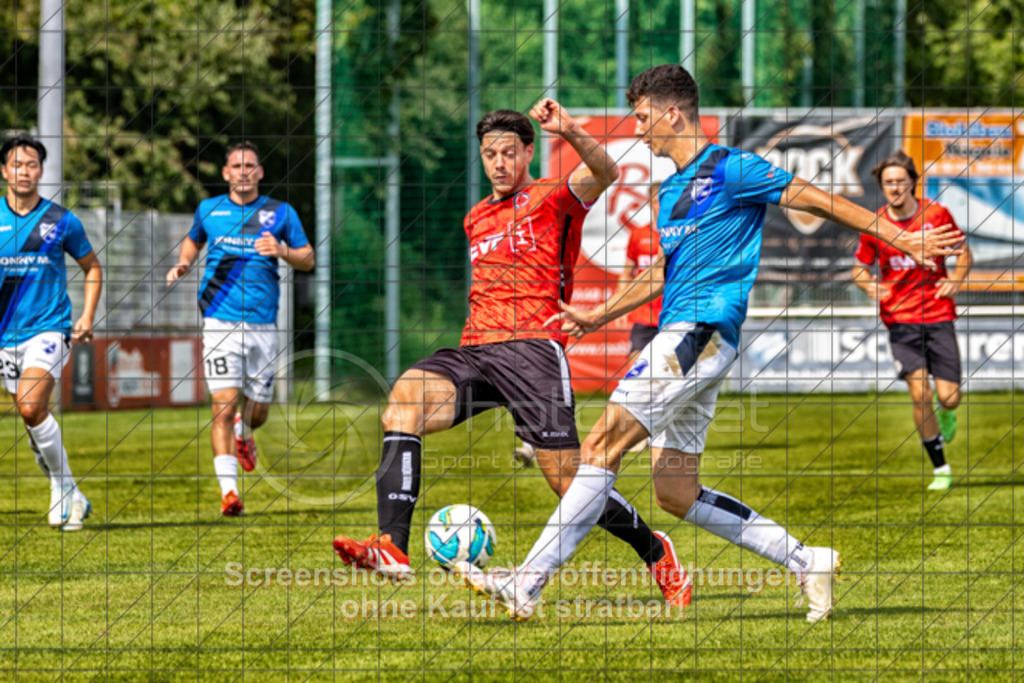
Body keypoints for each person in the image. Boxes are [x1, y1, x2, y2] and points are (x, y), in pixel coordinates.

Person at [456, 64, 963, 623]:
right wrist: (598, 315)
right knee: (674, 490)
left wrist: (897, 235)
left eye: (645, 118)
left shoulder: (730, 168)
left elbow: (815, 199)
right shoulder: (671, 188)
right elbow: (664, 275)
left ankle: (525, 584)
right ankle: (804, 559)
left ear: (673, 113)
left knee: (600, 446)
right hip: (693, 337)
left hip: (699, 333)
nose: (641, 130)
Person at [332, 100, 693, 608]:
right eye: (489, 154)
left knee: (569, 481)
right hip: (475, 350)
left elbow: (606, 172)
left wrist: (566, 129)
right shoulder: (475, 217)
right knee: (402, 403)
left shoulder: (552, 197)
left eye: (508, 152)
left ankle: (655, 549)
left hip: (533, 353)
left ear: (528, 153)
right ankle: (393, 546)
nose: (498, 163)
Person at [166, 142, 314, 516]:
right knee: (222, 406)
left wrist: (282, 251)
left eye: (250, 165)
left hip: (263, 326)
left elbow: (308, 259)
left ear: (260, 172)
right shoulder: (209, 210)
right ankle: (229, 494)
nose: (244, 171)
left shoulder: (281, 213)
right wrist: (184, 263)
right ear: (226, 173)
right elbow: (193, 239)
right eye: (237, 165)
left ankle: (245, 433)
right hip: (218, 322)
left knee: (258, 413)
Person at [0, 134, 102, 531]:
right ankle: (75, 494)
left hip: (49, 328)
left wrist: (87, 316)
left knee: (29, 406)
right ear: (4, 170)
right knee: (34, 420)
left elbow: (92, 267)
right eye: (16, 164)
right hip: (5, 334)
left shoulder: (61, 221)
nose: (23, 171)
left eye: (31, 164)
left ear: (40, 171)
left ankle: (61, 488)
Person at [852, 150, 971, 491]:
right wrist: (871, 286)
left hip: (938, 315)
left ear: (912, 183)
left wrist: (956, 279)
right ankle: (941, 468)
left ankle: (946, 412)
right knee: (920, 393)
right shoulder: (876, 225)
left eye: (900, 182)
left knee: (949, 397)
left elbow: (963, 252)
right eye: (888, 183)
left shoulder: (936, 214)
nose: (894, 188)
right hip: (900, 321)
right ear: (882, 186)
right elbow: (858, 268)